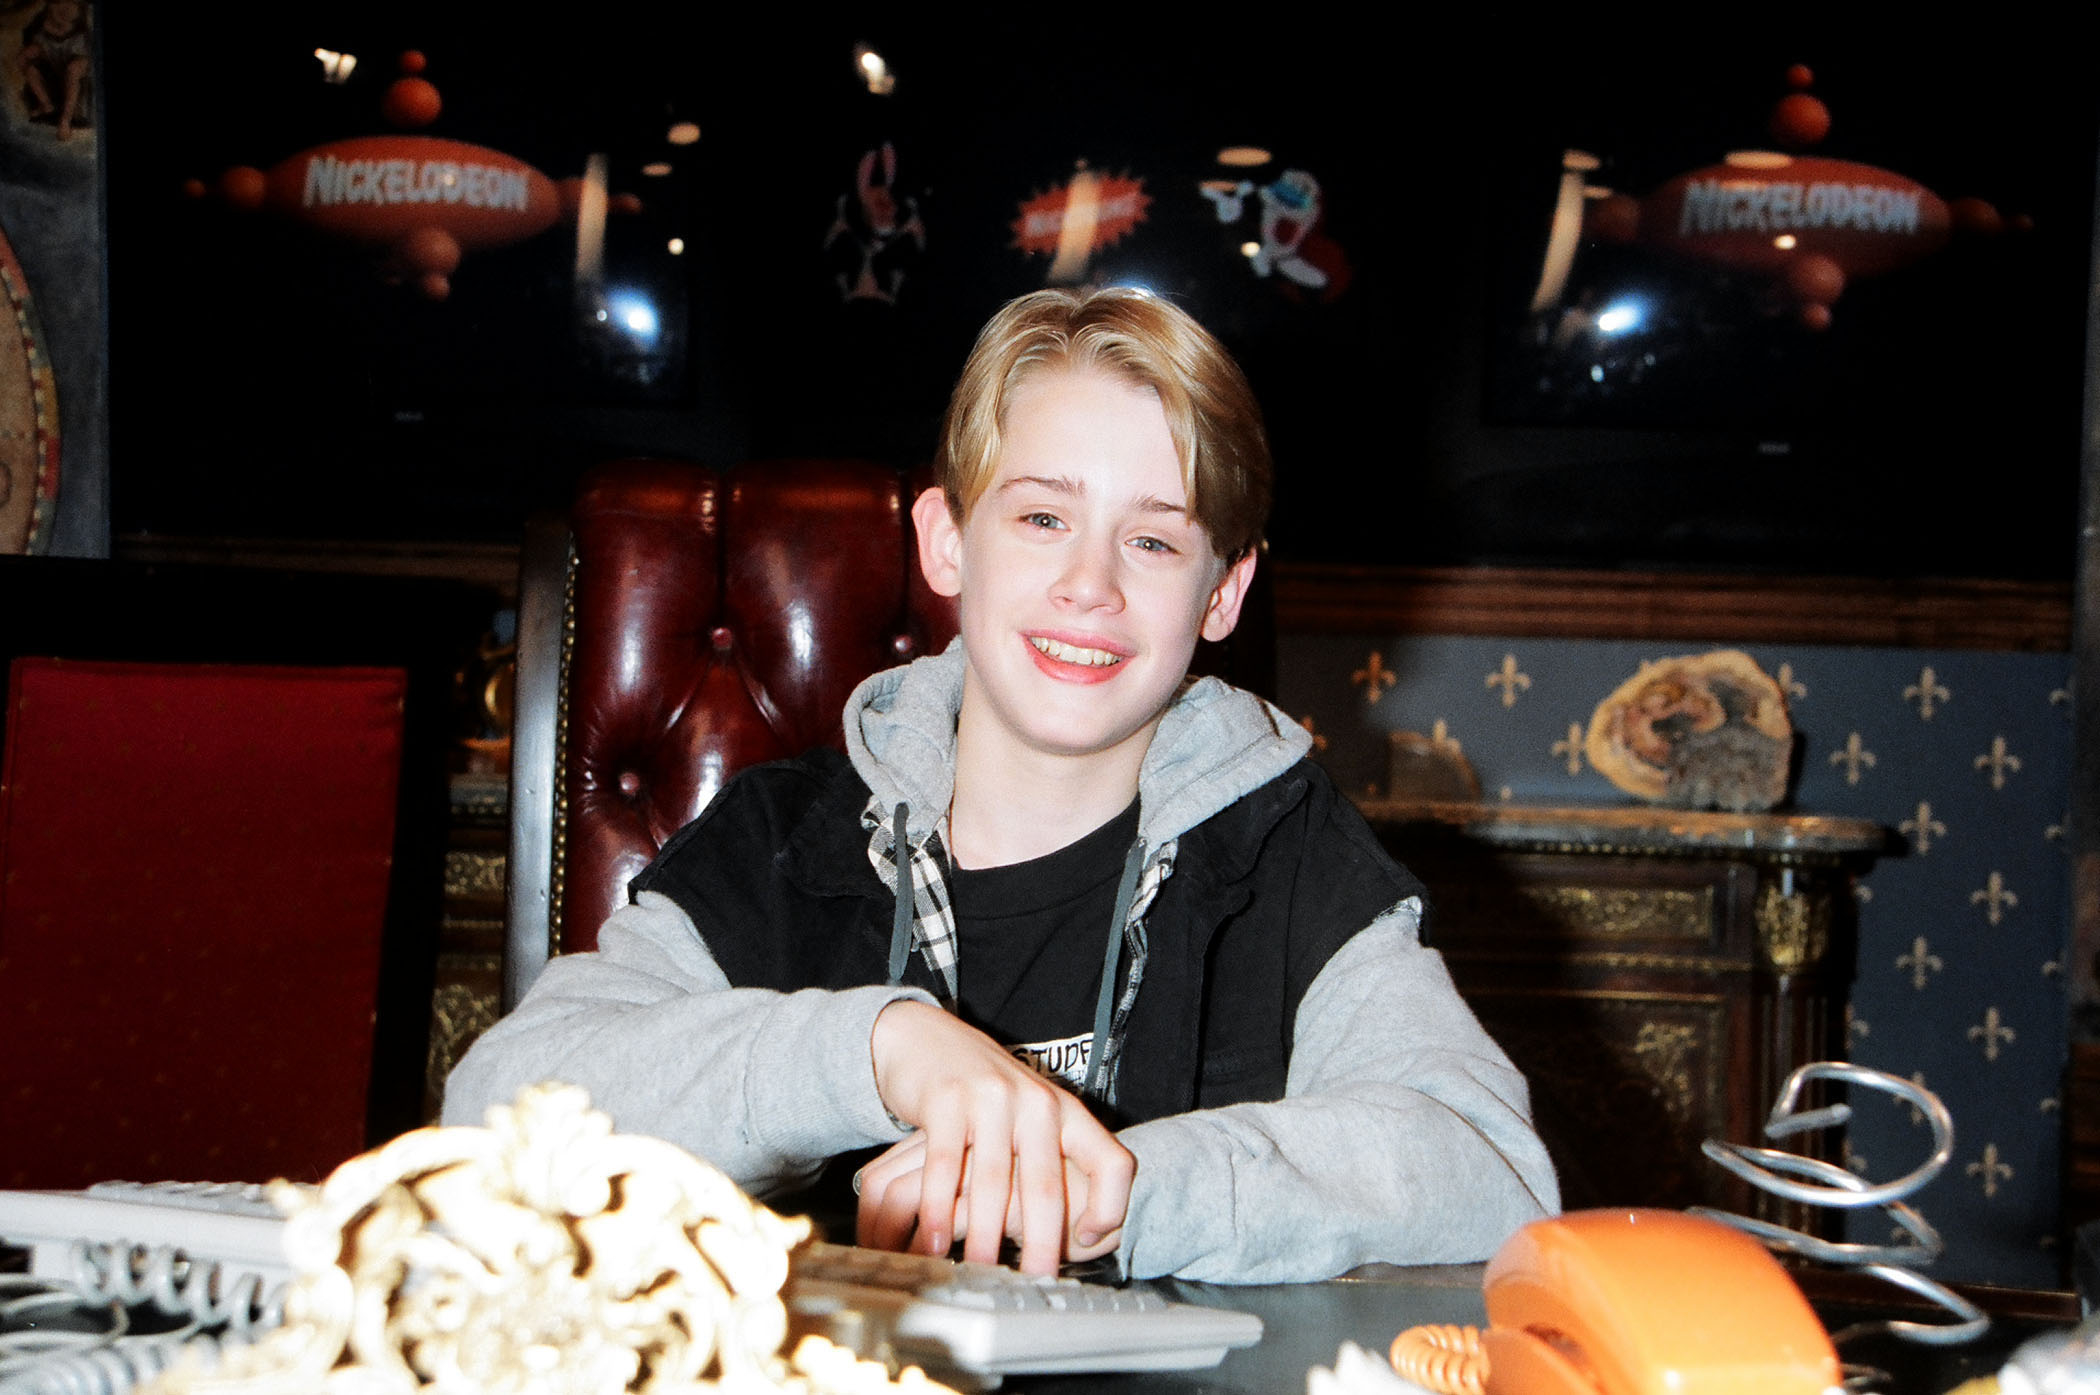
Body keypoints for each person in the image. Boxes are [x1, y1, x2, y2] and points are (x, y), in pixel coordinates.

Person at [444, 287, 1558, 1283]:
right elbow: (497, 1112)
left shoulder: (1287, 847)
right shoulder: (784, 844)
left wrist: (1110, 1186)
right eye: (1040, 519)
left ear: (1223, 593)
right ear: (947, 542)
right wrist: (881, 1051)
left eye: (1156, 544)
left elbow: (1490, 1169)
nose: (1090, 586)